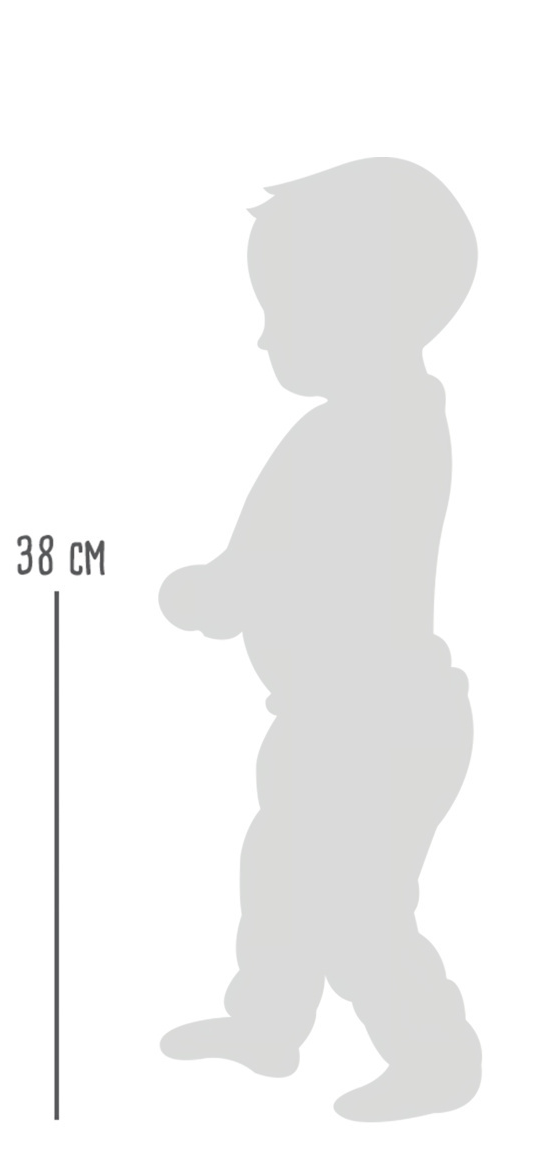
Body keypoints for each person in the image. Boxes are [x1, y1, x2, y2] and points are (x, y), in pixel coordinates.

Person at [159, 157, 481, 1120]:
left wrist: (216, 592)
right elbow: (277, 551)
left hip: (381, 724)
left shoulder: (373, 438)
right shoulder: (372, 425)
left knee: (357, 902)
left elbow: (301, 560)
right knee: (280, 876)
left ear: (369, 308)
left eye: (286, 309)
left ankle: (436, 1055)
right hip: (323, 720)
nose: (266, 335)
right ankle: (266, 1023)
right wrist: (229, 583)